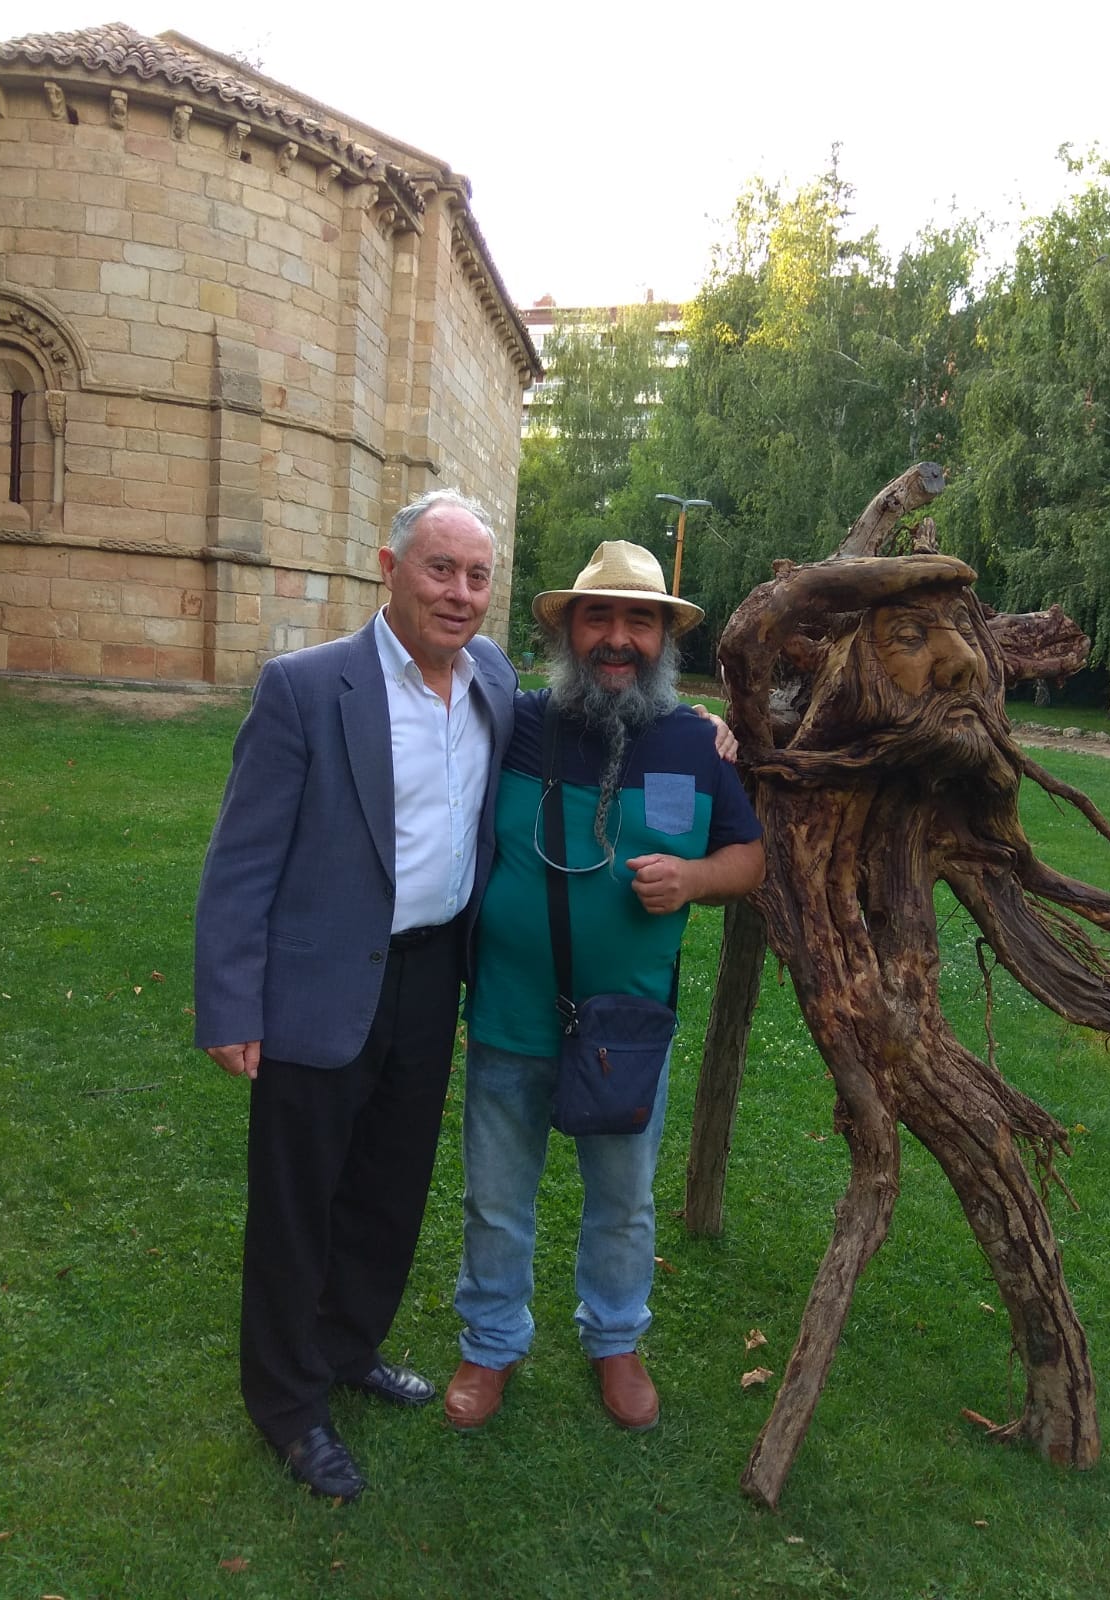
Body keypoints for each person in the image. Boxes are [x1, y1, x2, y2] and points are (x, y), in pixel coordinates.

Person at [194, 488, 518, 1501]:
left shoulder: (495, 680)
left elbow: (594, 726)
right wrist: (233, 1005)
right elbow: (242, 862)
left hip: (430, 977)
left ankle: (346, 1347)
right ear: (390, 567)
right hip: (318, 982)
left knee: (388, 1186)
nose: (460, 593)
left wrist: (701, 727)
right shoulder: (306, 688)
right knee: (298, 1203)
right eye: (439, 569)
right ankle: (286, 1404)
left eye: (476, 575)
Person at [444, 541, 766, 1434]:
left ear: (664, 637)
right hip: (509, 1013)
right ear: (568, 630)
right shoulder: (514, 722)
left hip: (628, 1026)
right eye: (600, 618)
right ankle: (490, 1343)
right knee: (495, 1198)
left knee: (623, 1203)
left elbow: (752, 855)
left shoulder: (702, 744)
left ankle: (616, 1339)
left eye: (639, 620)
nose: (617, 638)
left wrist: (697, 881)